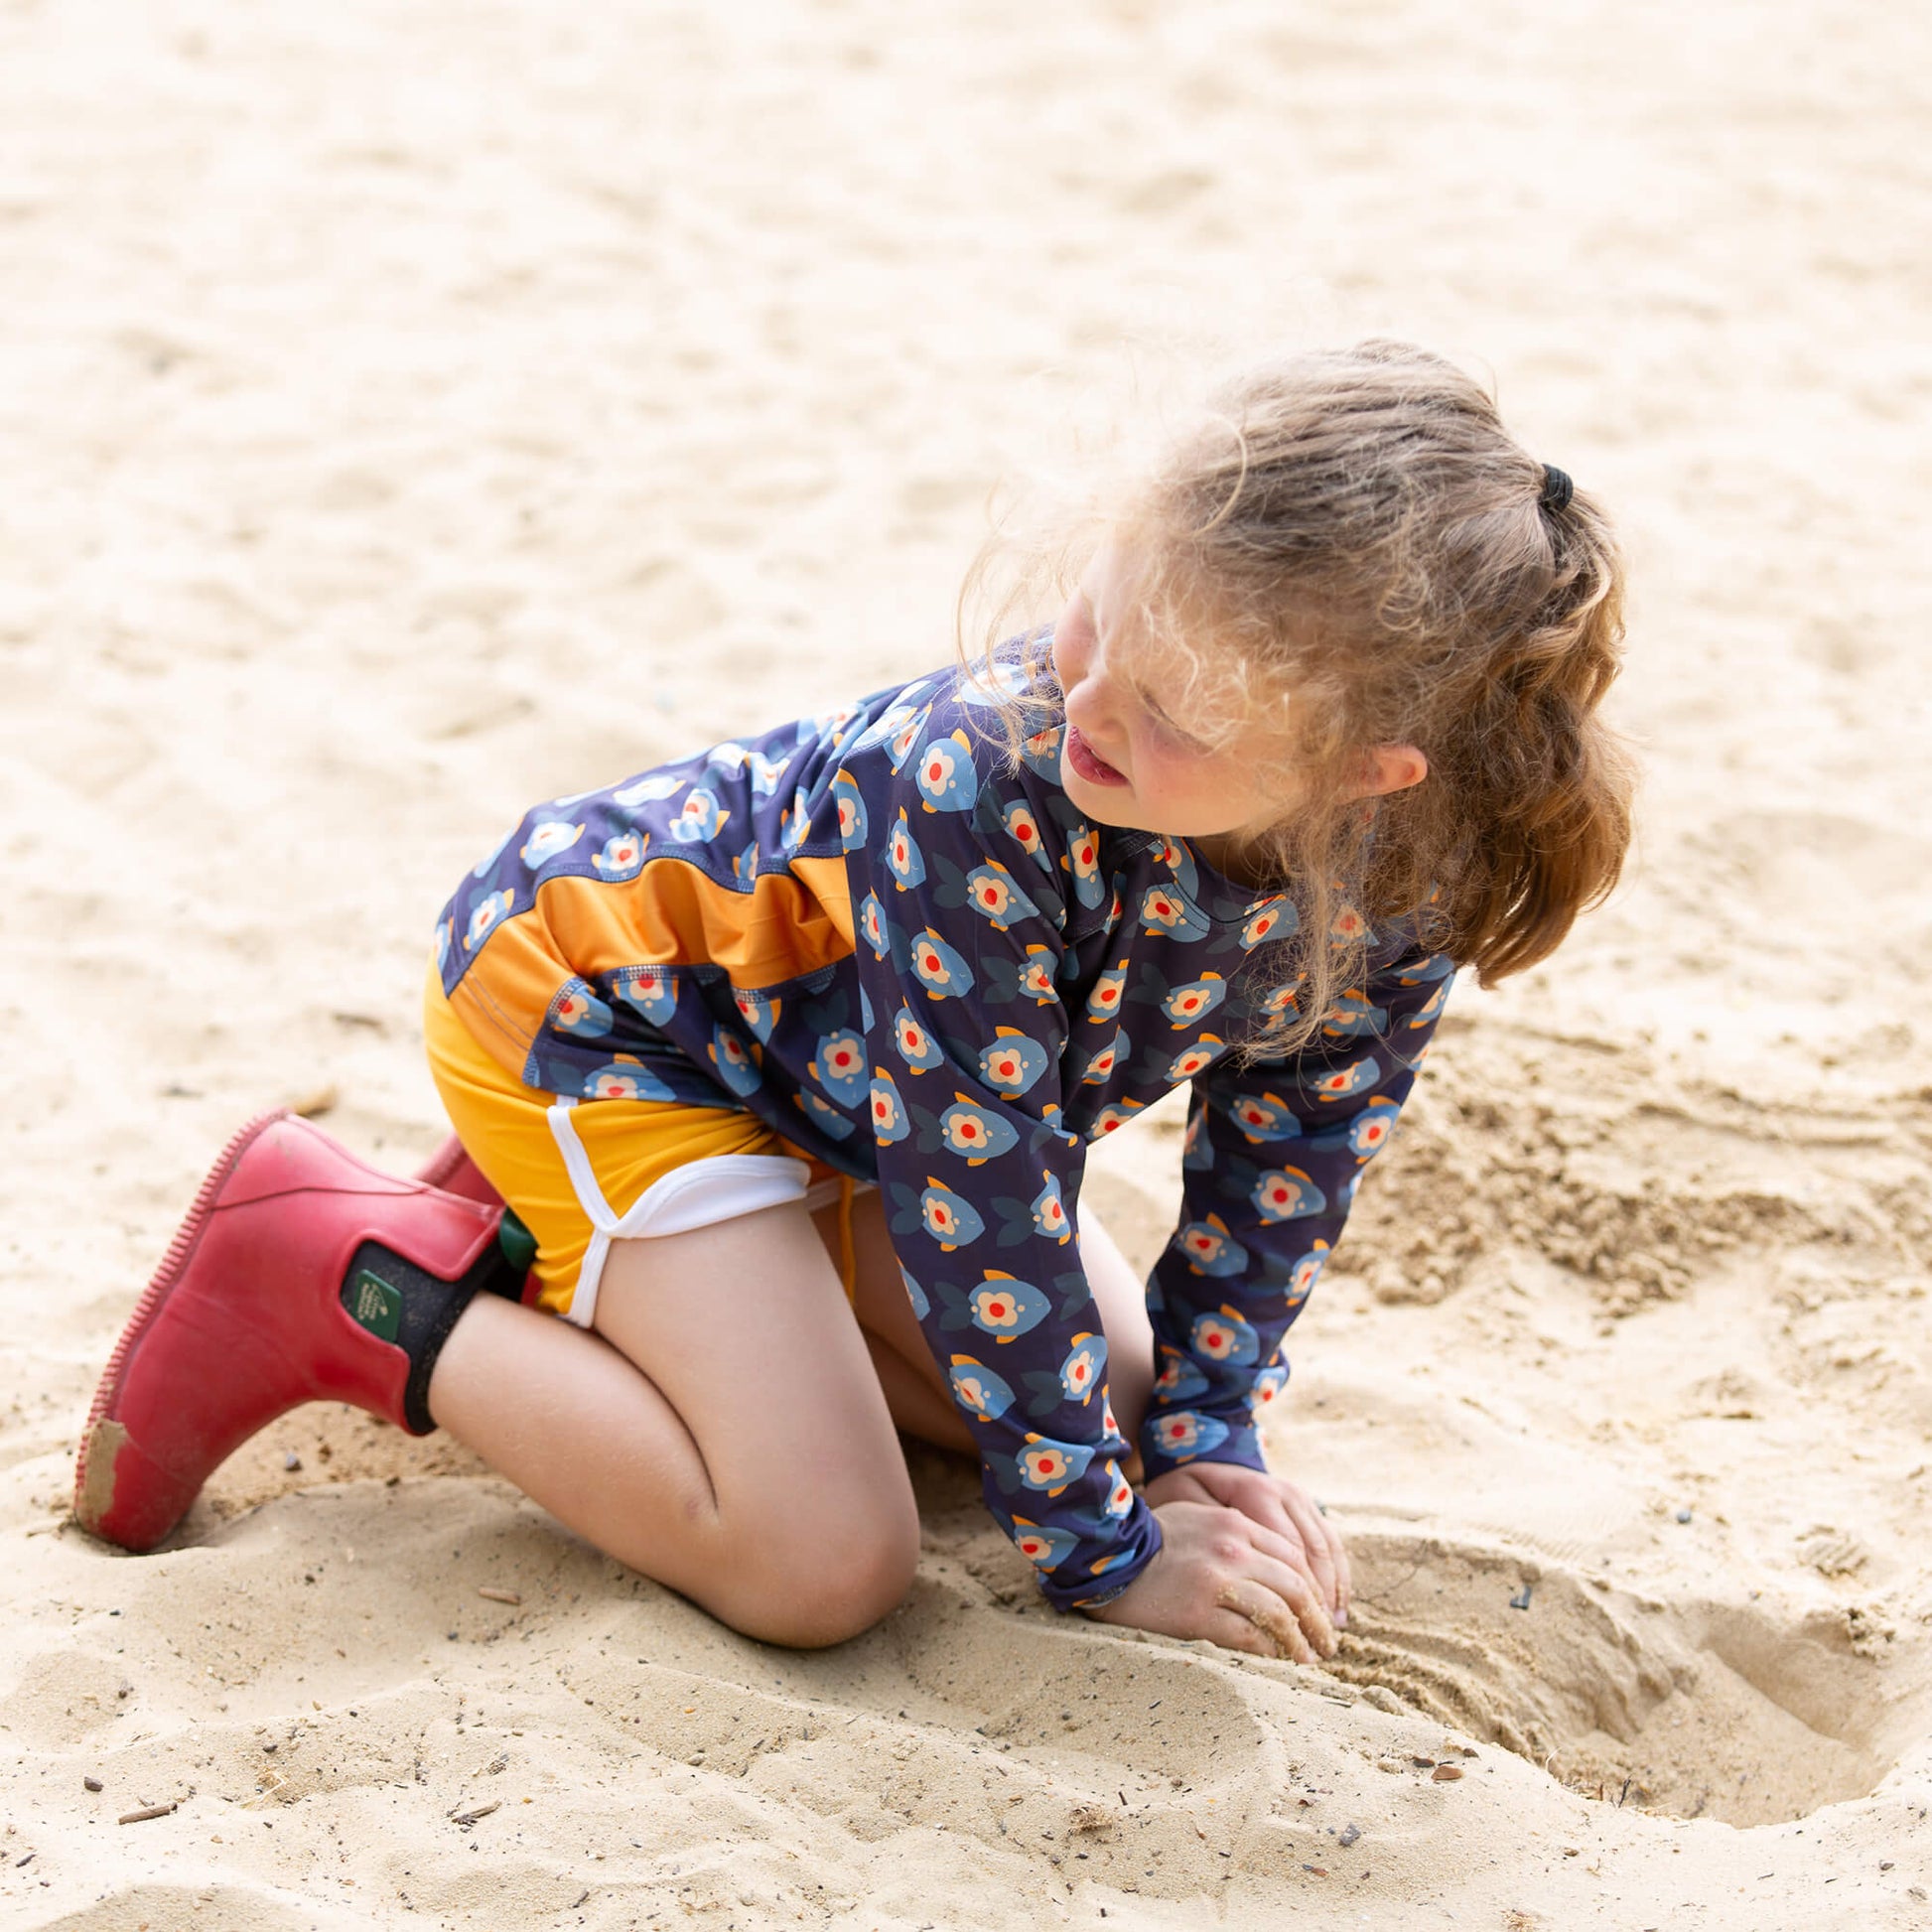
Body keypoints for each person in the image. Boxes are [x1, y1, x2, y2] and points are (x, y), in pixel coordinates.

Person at [73, 341, 1633, 1663]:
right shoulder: (982, 782)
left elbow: (1284, 1161)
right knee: (822, 1562)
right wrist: (1105, 1553)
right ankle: (343, 1263)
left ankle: (609, 1260)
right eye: (1099, 617)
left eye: (1167, 707)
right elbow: (979, 1194)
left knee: (1118, 1409)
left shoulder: (1403, 884)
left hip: (851, 1101)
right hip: (607, 1019)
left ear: (1365, 776)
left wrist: (1201, 1433)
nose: (1083, 699)